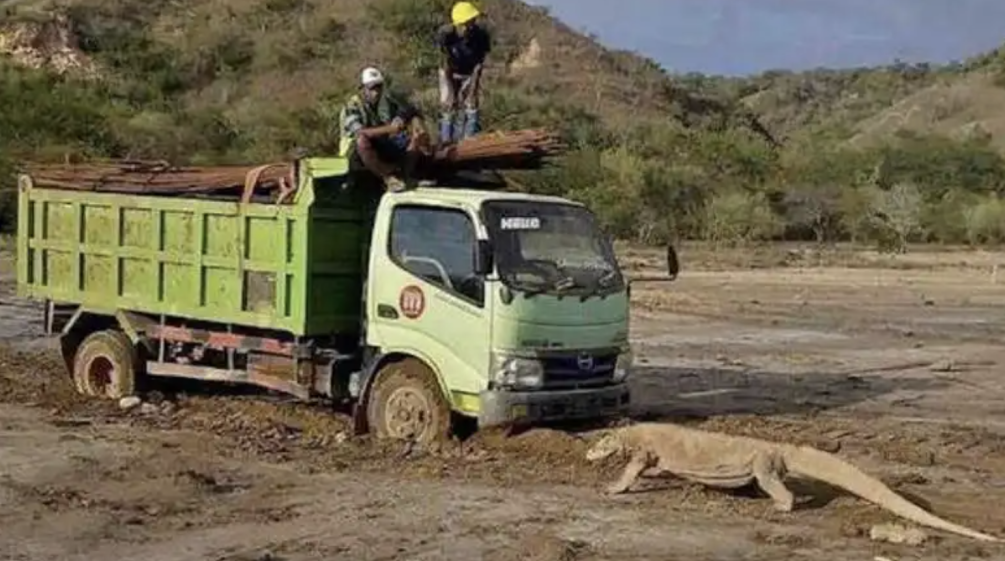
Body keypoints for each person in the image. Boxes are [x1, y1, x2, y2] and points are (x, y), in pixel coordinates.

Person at [339, 66, 432, 191]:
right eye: (372, 88)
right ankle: (388, 178)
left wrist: (403, 119)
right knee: (362, 141)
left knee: (414, 134)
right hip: (355, 154)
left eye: (379, 87)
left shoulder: (386, 101)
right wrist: (390, 129)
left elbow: (410, 109)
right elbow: (359, 132)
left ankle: (406, 176)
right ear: (363, 89)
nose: (376, 92)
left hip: (380, 144)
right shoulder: (352, 105)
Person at [436, 2, 492, 144]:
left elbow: (478, 65)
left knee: (471, 106)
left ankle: (469, 142)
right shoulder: (446, 35)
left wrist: (472, 90)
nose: (470, 26)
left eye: (472, 22)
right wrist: (452, 92)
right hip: (449, 71)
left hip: (470, 72)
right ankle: (446, 142)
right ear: (458, 24)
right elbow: (445, 63)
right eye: (467, 23)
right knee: (448, 105)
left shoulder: (481, 36)